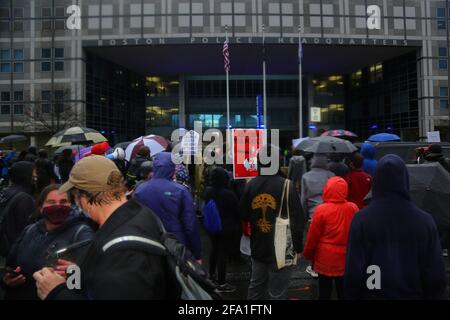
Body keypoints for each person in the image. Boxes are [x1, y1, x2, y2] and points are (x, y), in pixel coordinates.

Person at [32, 155, 174, 300]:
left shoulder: (124, 252)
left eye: (74, 195)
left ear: (83, 196)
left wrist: (56, 292)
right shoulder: (138, 213)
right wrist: (80, 274)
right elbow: (108, 285)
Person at [344, 154, 447, 299]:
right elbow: (436, 276)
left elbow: (353, 272)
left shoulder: (361, 220)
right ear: (405, 179)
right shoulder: (425, 221)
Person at [2, 184, 94, 300]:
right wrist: (7, 280)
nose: (58, 206)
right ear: (41, 207)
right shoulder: (30, 230)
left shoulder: (81, 234)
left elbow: (88, 280)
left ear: (70, 205)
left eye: (63, 201)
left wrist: (74, 276)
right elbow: (10, 264)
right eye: (51, 202)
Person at [239, 145, 305, 300]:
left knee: (255, 287)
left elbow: (242, 214)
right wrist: (298, 247)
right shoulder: (287, 185)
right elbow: (298, 221)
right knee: (278, 291)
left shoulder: (251, 184)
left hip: (258, 243)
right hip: (283, 246)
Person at [134, 152, 201, 261]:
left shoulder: (140, 190)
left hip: (149, 244)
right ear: (171, 167)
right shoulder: (180, 191)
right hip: (176, 245)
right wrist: (196, 253)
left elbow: (134, 220)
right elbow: (190, 225)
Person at [303, 177, 359, 300]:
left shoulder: (321, 210)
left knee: (324, 292)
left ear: (327, 190)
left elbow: (312, 237)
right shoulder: (353, 208)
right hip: (345, 259)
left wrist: (308, 254)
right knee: (343, 293)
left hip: (324, 260)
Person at [203, 167, 240, 293]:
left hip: (212, 226)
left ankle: (211, 276)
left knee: (214, 250)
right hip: (226, 227)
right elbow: (236, 210)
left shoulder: (207, 191)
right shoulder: (229, 194)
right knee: (222, 254)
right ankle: (222, 282)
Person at [0, 162, 36, 257]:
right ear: (25, 175)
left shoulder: (4, 191)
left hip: (5, 245)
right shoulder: (24, 198)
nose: (35, 176)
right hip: (17, 248)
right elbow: (25, 228)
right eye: (33, 173)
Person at [301, 154, 335, 220]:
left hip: (313, 214)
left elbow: (303, 199)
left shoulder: (305, 176)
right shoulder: (331, 175)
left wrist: (304, 217)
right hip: (329, 213)